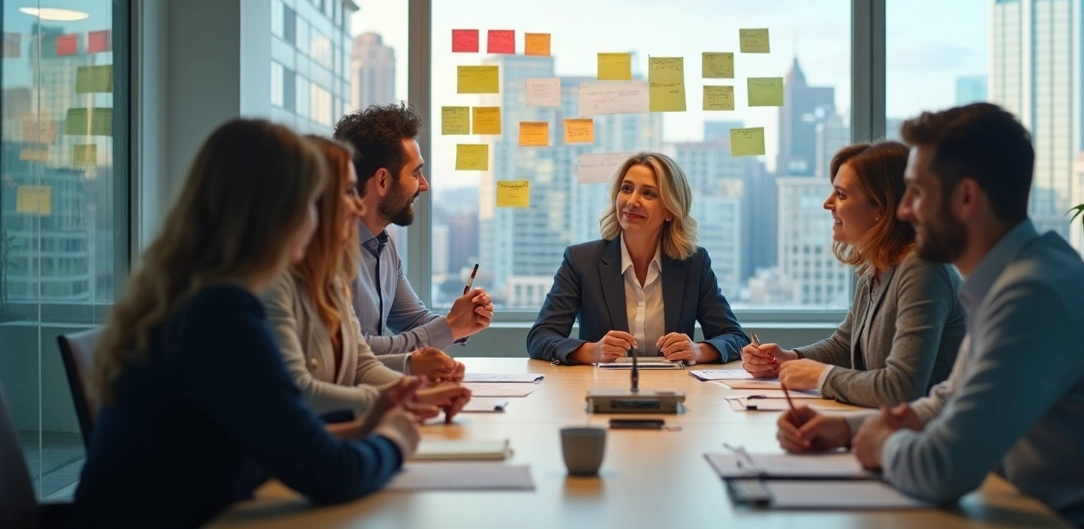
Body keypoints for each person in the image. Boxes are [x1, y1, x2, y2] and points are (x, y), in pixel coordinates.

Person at [775, 103, 1084, 526]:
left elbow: (944, 469)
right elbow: (947, 402)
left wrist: (881, 445)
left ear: (966, 197)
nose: (904, 211)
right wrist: (848, 430)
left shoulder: (1034, 295)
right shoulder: (1011, 280)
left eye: (916, 193)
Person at [70, 120, 429, 528]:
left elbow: (281, 440)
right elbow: (329, 473)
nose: (346, 210)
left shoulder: (197, 302)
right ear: (278, 211)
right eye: (317, 200)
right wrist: (396, 440)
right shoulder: (220, 316)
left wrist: (368, 425)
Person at [741, 142, 965, 407]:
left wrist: (820, 376)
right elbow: (846, 346)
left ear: (881, 209)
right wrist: (790, 358)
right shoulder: (877, 266)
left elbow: (902, 388)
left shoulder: (923, 268)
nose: (827, 203)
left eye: (841, 194)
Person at [262, 135, 472, 417]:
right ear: (310, 202)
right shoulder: (273, 283)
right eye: (349, 191)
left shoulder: (333, 276)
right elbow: (301, 393)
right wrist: (402, 397)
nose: (358, 206)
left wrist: (419, 392)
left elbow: (359, 362)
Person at [527, 152, 748, 365]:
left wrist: (698, 351)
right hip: (601, 389)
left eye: (649, 193)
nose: (632, 201)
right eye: (626, 189)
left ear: (671, 209)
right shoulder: (581, 260)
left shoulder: (694, 263)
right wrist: (591, 351)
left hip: (673, 389)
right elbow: (540, 337)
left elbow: (735, 338)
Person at [332, 103, 492, 361]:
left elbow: (412, 320)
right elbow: (357, 351)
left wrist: (463, 321)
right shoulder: (329, 252)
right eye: (416, 173)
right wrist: (450, 326)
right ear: (382, 181)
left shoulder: (383, 245)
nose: (424, 185)